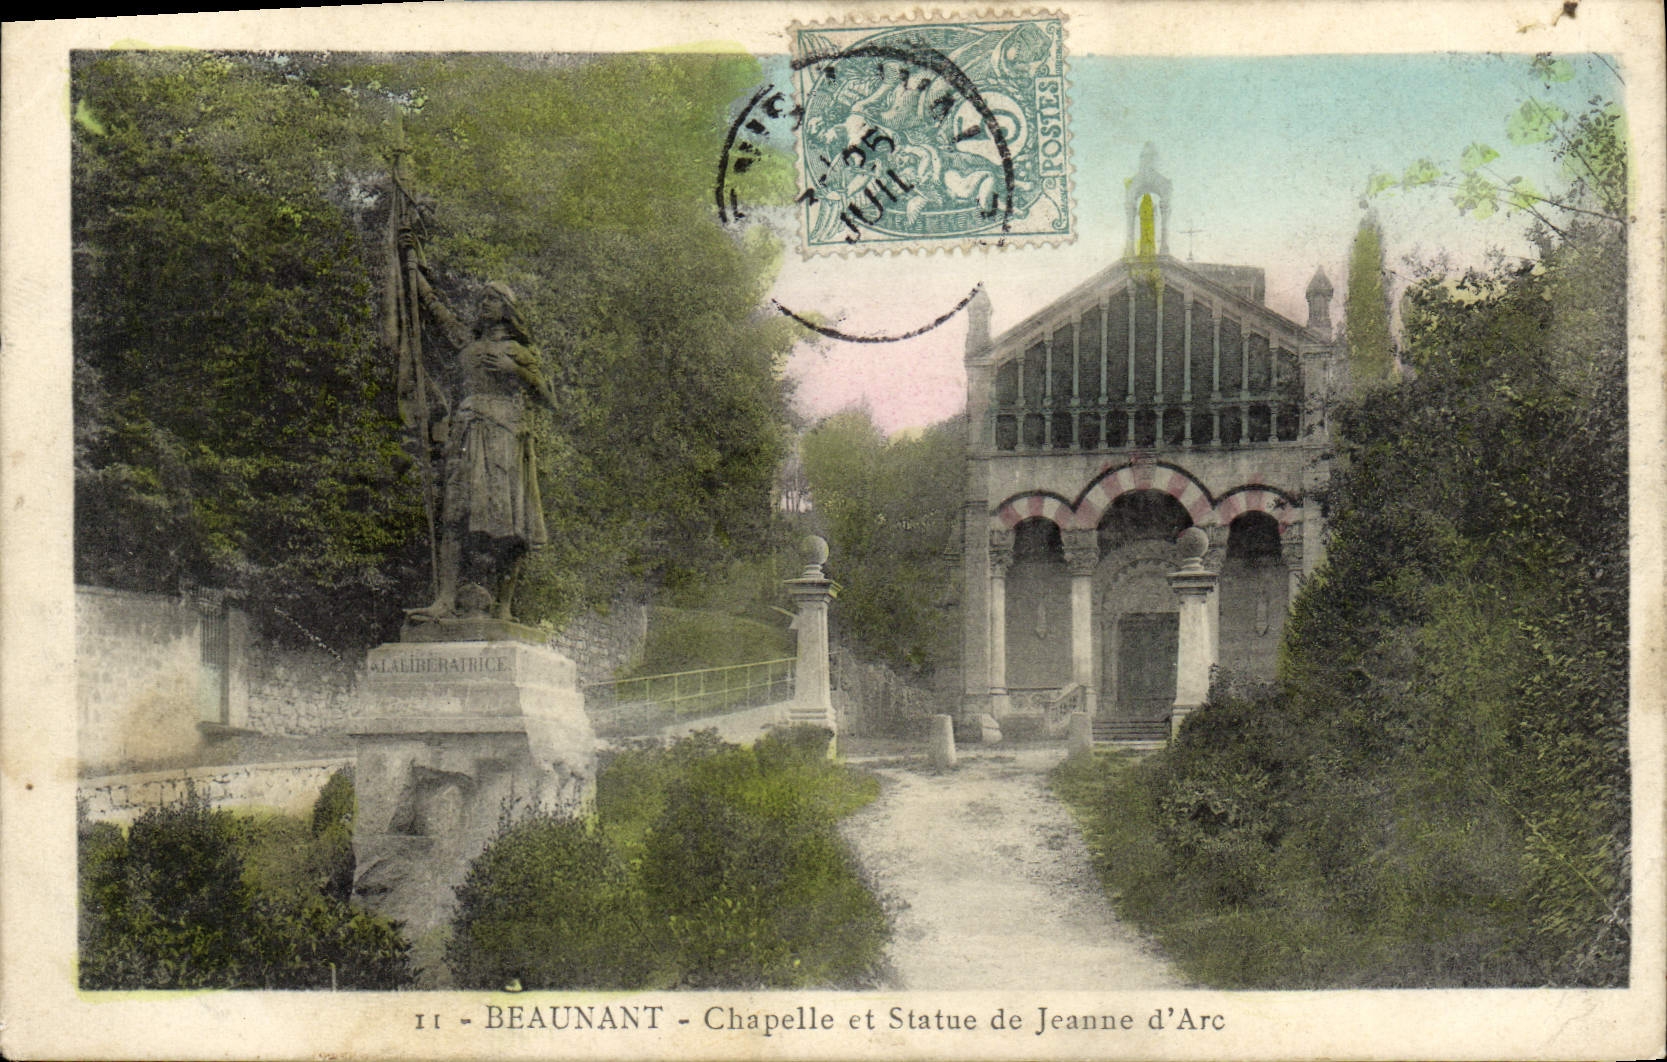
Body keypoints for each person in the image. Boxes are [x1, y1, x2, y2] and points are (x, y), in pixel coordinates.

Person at [406, 266, 557, 623]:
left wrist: (516, 371)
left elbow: (549, 399)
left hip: (506, 436)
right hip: (467, 434)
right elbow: (437, 311)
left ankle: (504, 607)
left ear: (506, 307)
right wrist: (414, 272)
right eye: (482, 298)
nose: (484, 304)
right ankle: (443, 599)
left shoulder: (520, 352)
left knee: (511, 525)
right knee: (455, 515)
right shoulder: (468, 343)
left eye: (492, 299)